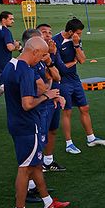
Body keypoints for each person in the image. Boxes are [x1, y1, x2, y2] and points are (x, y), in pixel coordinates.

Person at [2, 37, 70, 208]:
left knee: (36, 165)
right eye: (41, 55)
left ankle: (47, 202)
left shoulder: (11, 65)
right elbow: (27, 104)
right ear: (33, 52)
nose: (41, 59)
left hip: (16, 122)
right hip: (27, 125)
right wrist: (47, 96)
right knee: (25, 168)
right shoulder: (25, 70)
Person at [54, 18, 105, 154]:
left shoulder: (76, 41)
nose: (80, 35)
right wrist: (73, 63)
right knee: (67, 111)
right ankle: (69, 144)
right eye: (78, 33)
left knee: (84, 107)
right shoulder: (55, 42)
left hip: (75, 80)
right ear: (71, 31)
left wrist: (76, 45)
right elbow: (59, 67)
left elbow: (82, 60)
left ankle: (91, 138)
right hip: (63, 81)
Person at [36, 23, 66, 172]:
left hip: (55, 95)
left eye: (50, 32)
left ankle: (48, 161)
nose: (48, 35)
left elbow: (59, 73)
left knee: (53, 130)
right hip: (44, 99)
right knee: (42, 133)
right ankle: (38, 164)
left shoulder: (53, 51)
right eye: (44, 32)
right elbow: (48, 77)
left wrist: (53, 55)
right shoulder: (36, 54)